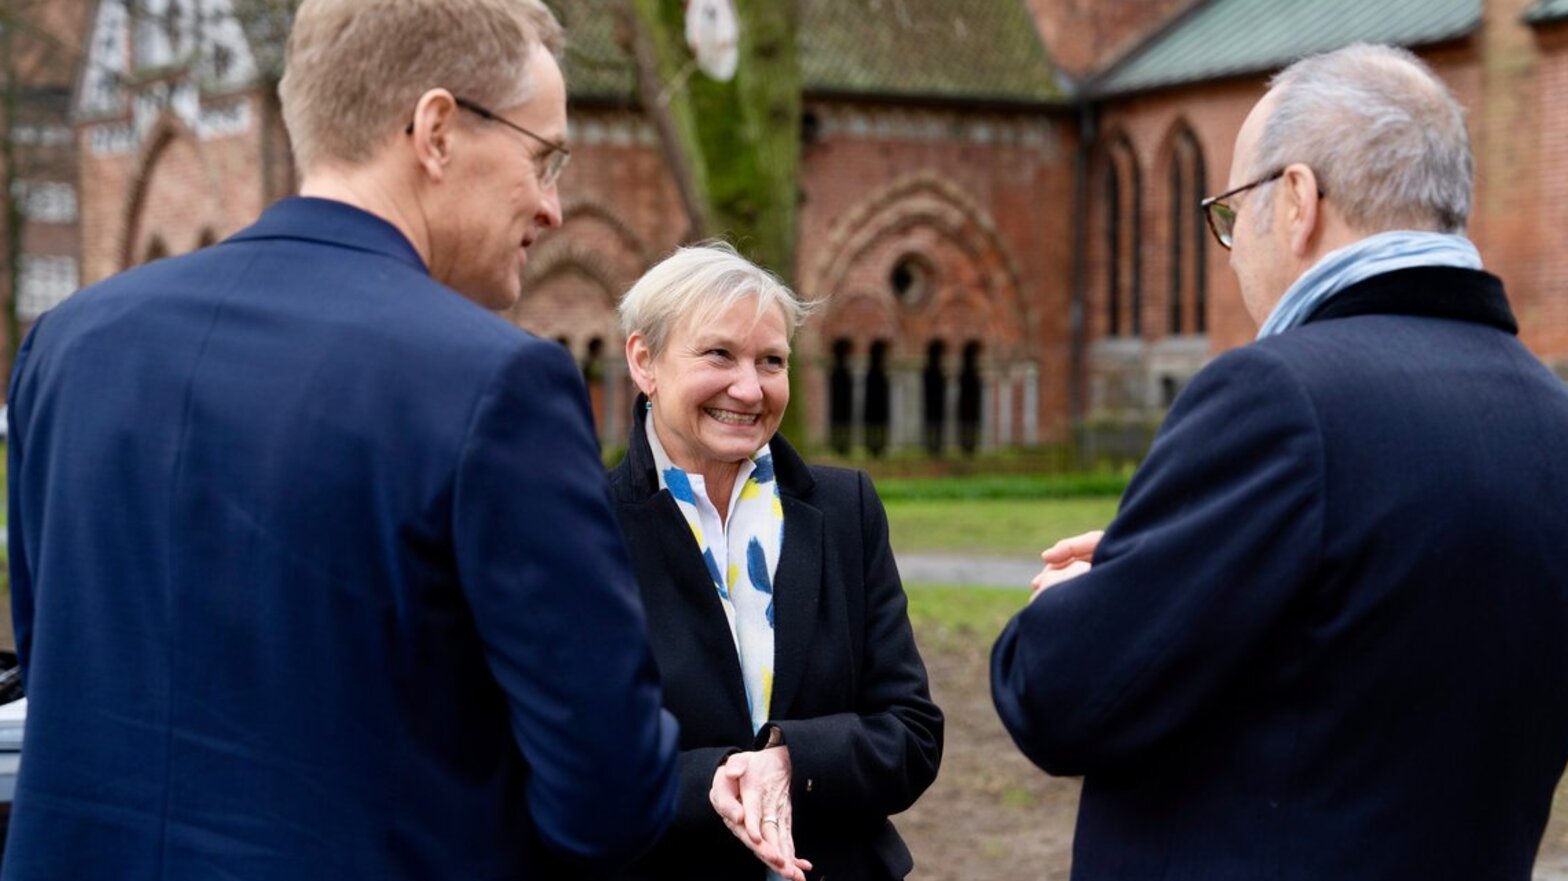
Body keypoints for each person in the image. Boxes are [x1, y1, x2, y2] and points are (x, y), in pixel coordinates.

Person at [3, 1, 679, 878]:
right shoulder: (495, 385)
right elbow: (609, 798)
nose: (552, 208)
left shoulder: (70, 343)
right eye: (543, 157)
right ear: (436, 131)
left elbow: (60, 665)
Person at [991, 43, 1568, 880]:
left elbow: (1060, 696)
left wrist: (1087, 595)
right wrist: (1161, 558)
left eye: (1231, 211)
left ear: (1296, 200)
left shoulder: (1279, 395)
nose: (1231, 249)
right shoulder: (1549, 415)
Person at [607, 243, 943, 881]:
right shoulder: (585, 527)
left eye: (772, 361)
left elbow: (912, 732)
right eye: (718, 355)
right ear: (643, 361)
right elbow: (575, 761)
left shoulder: (846, 510)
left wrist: (796, 762)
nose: (749, 388)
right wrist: (716, 781)